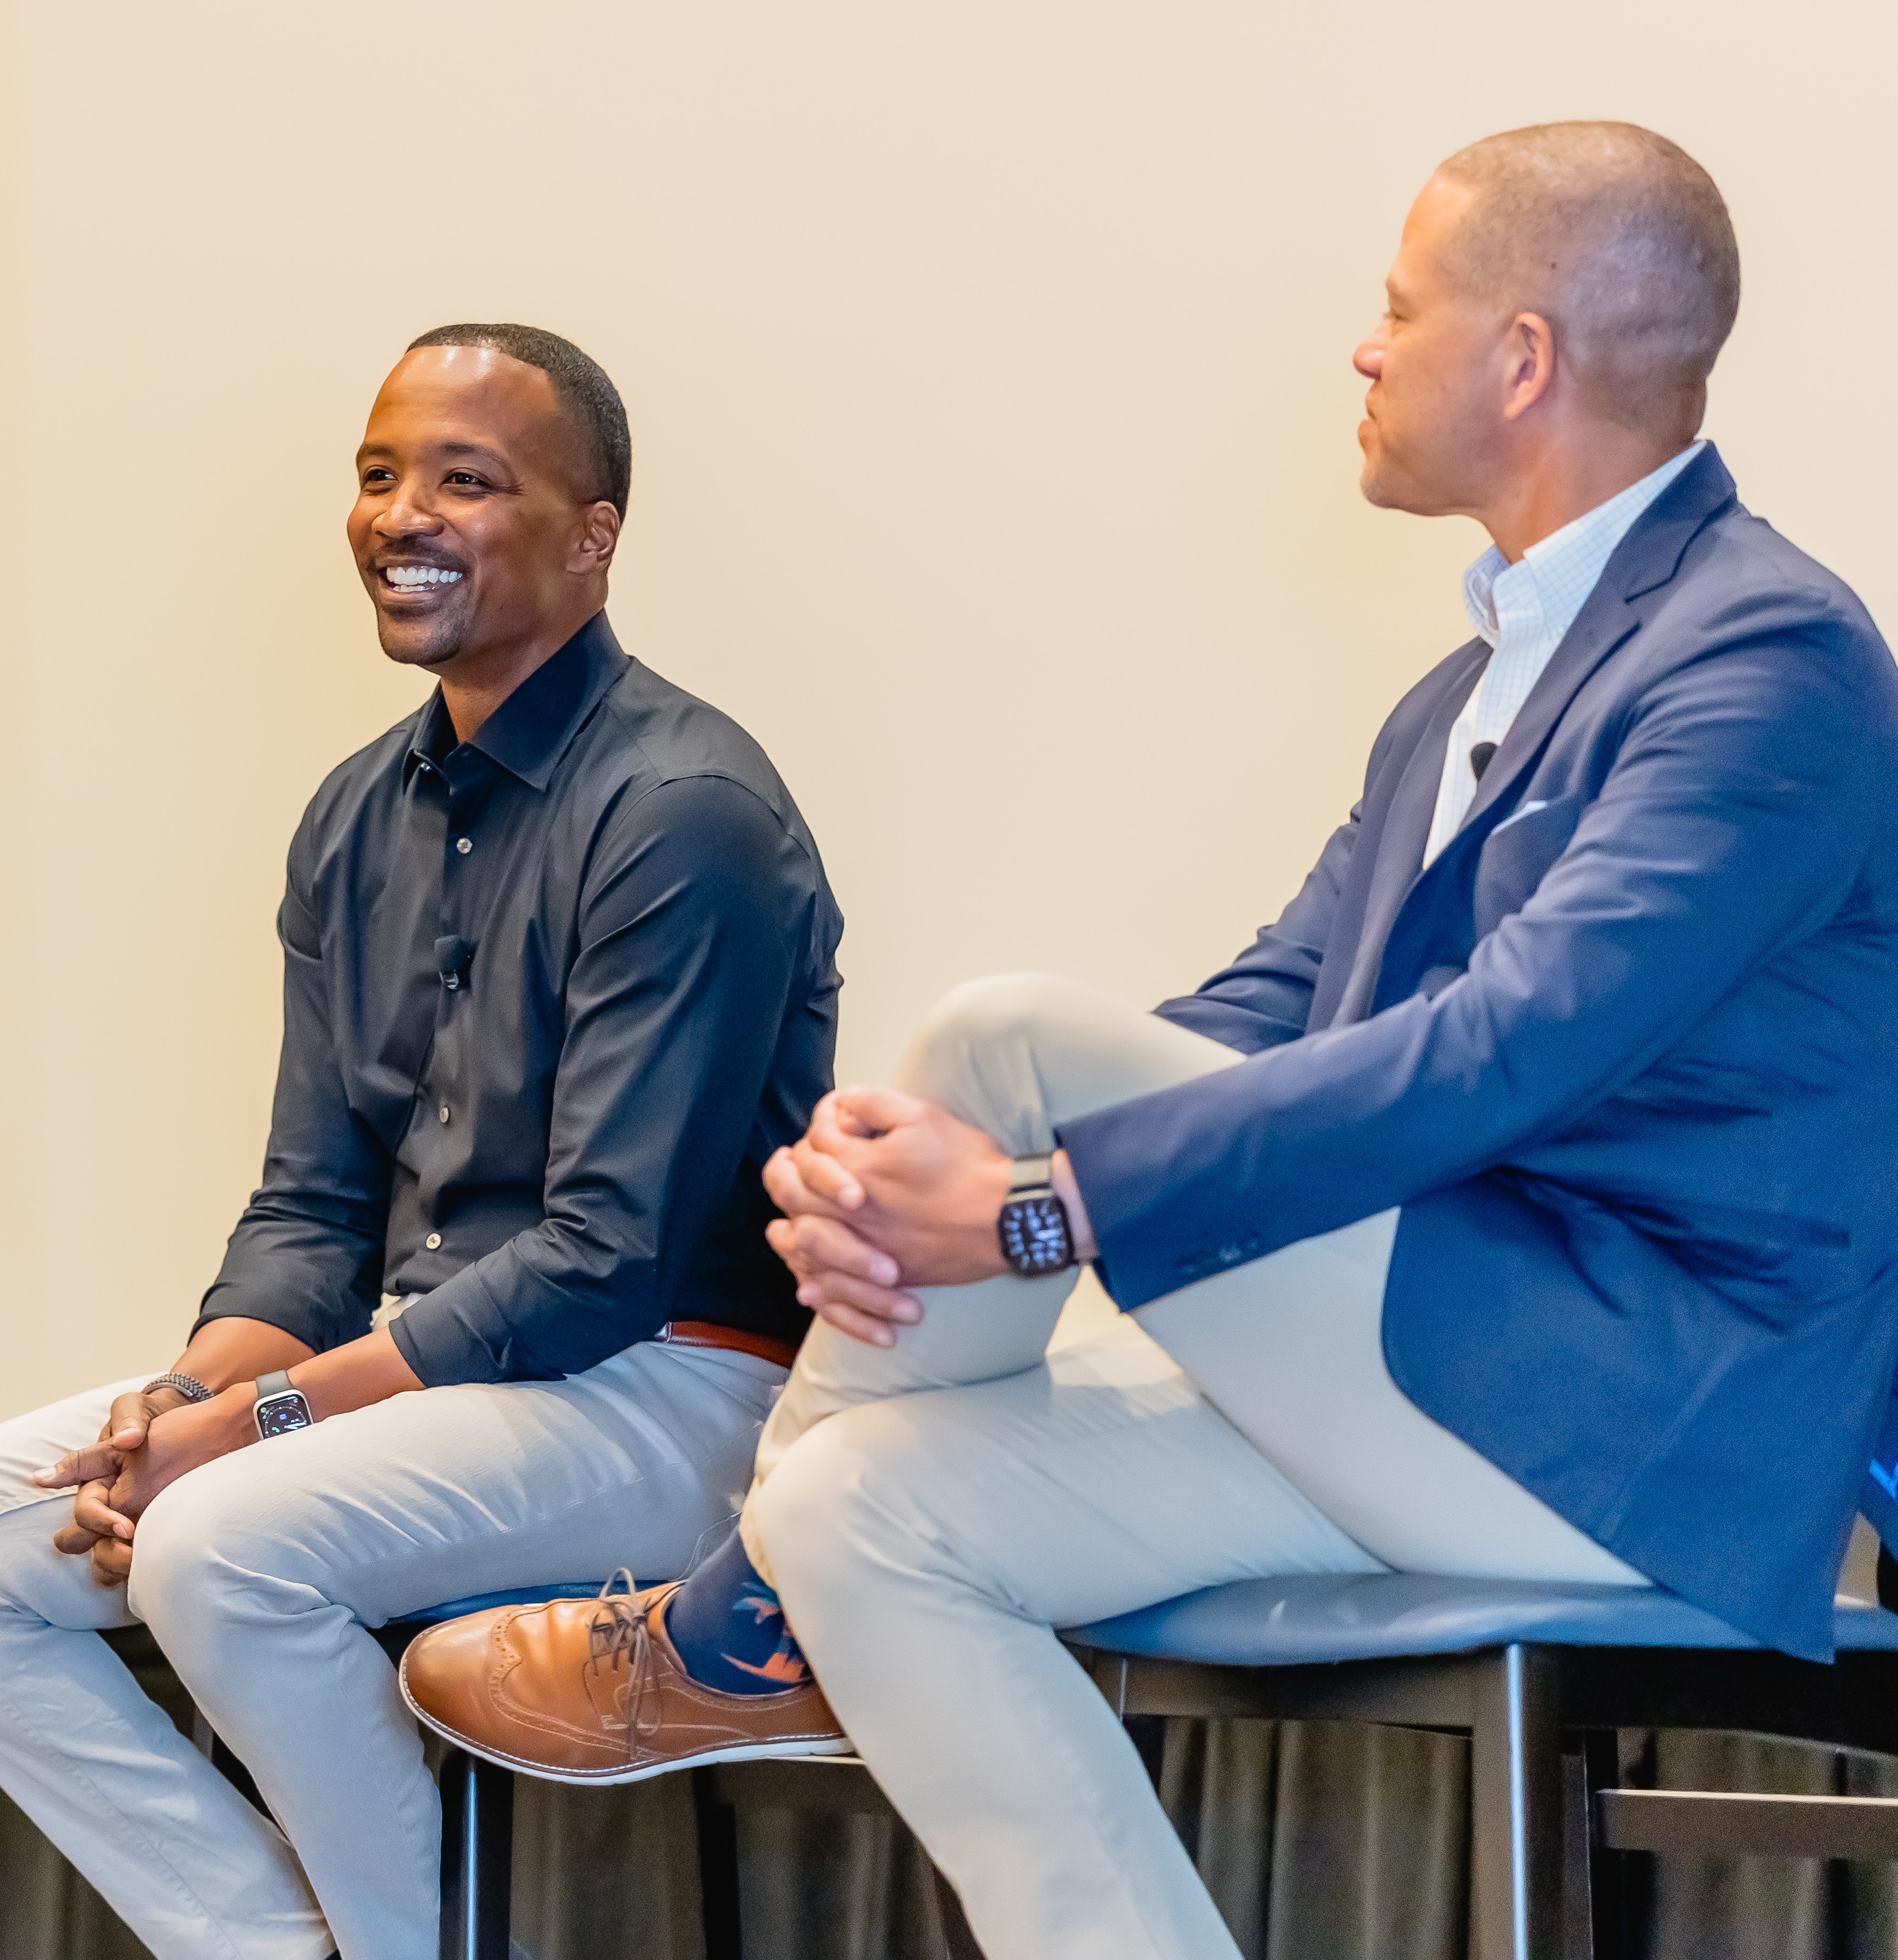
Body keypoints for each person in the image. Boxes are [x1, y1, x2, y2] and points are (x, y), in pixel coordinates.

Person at [402, 124, 1898, 1959]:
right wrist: (902, 1166)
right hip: (1421, 1378)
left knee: (1006, 1029)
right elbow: (1268, 1006)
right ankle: (772, 1604)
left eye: (1395, 308)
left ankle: (718, 1628)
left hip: (1624, 1423)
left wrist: (1031, 1206)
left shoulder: (1770, 661)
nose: (1363, 348)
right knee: (871, 1510)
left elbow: (1509, 1053)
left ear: (1522, 358)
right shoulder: (1459, 696)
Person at [0, 323, 843, 1960]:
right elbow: (313, 1201)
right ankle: (274, 1946)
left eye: (466, 478)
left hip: (673, 1389)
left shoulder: (688, 810)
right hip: (421, 1383)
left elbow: (602, 1265)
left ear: (593, 538)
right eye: (378, 474)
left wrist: (259, 1426)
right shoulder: (353, 815)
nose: (400, 513)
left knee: (222, 1547)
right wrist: (186, 1397)